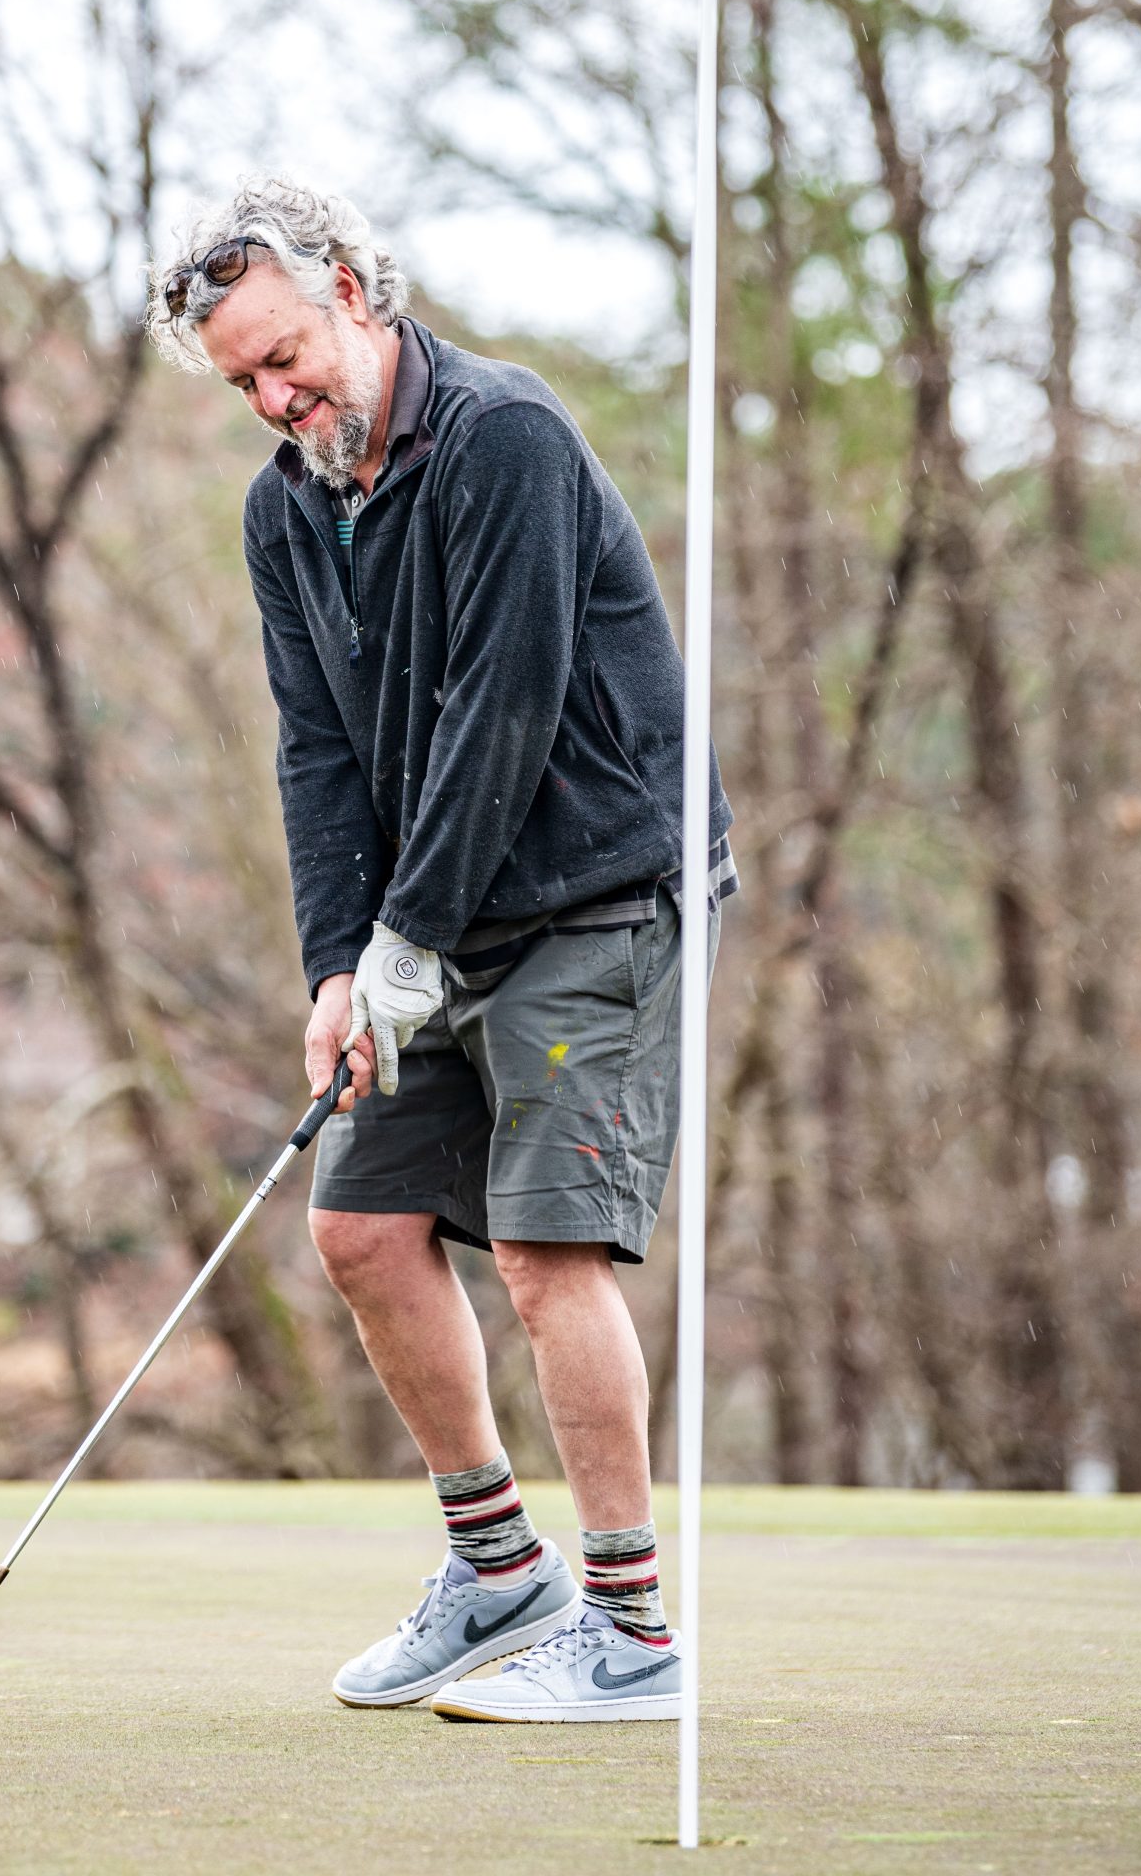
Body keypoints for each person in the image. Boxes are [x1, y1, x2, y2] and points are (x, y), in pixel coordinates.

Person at [149, 179, 734, 1724]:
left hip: (602, 888)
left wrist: (406, 939)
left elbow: (506, 708)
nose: (277, 402)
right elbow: (318, 751)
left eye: (286, 358)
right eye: (244, 384)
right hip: (439, 910)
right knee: (361, 1230)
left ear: (353, 290)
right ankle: (499, 1573)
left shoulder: (505, 436)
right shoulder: (286, 508)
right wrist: (339, 966)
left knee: (546, 1253)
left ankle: (631, 1634)